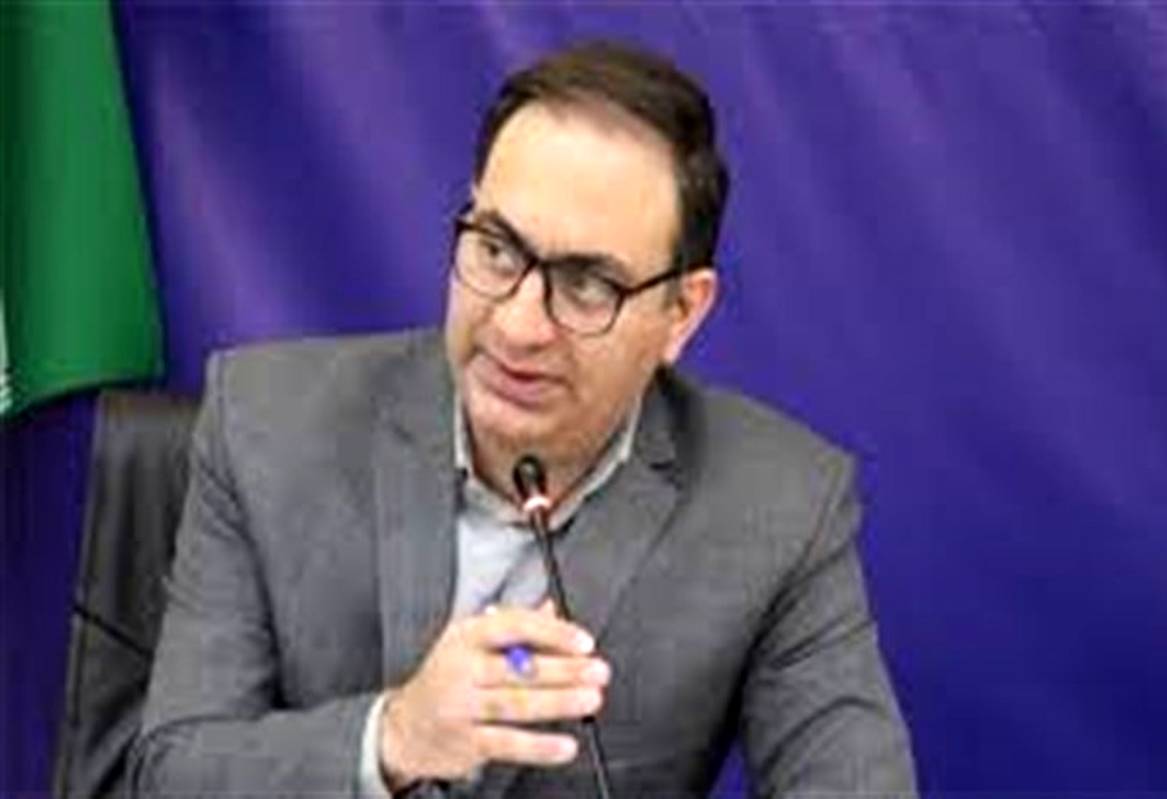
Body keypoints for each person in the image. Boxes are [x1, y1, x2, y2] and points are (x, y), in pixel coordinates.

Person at [130, 40, 916, 797]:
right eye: (498, 250)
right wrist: (394, 738)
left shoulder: (782, 508)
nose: (516, 325)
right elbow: (170, 775)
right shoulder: (266, 423)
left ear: (681, 311)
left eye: (587, 285)